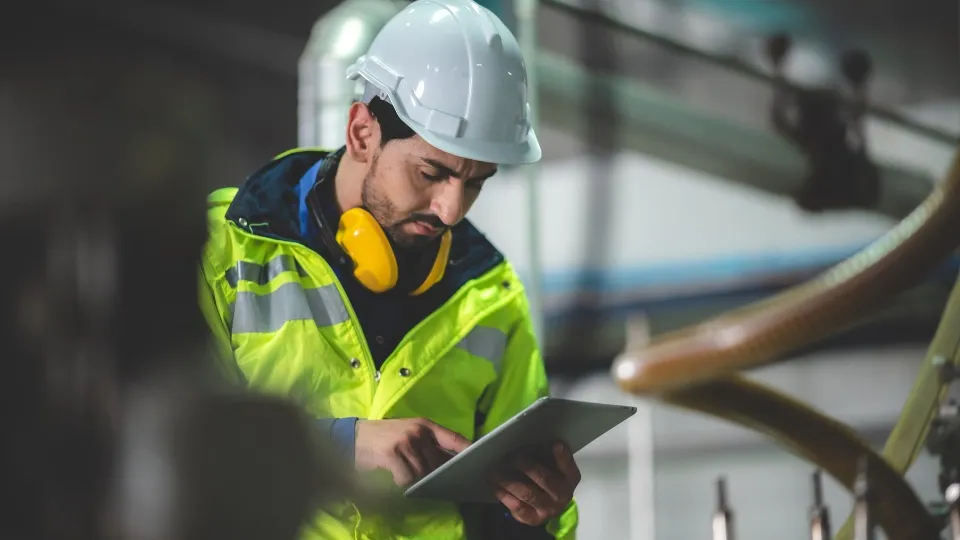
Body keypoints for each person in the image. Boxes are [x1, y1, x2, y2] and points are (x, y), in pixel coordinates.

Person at [197, 0, 580, 538]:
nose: (451, 209)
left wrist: (536, 514)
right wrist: (341, 445)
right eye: (431, 172)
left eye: (475, 182)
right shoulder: (225, 252)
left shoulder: (489, 296)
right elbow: (168, 456)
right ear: (362, 134)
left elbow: (513, 523)